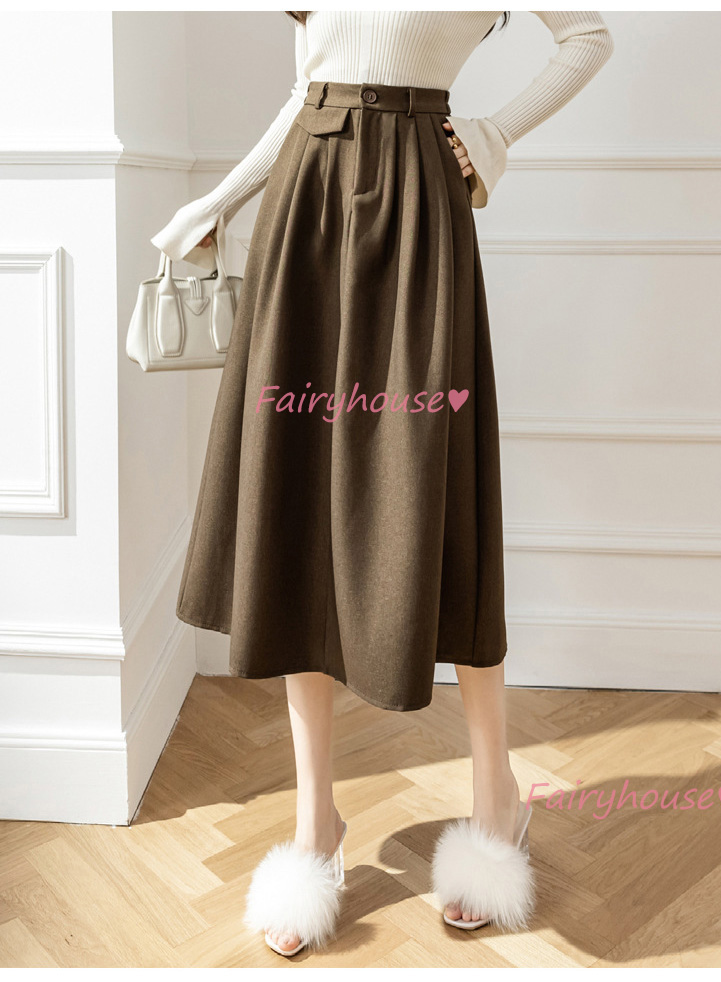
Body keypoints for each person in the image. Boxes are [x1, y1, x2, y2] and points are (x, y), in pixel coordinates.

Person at [150, 10, 614, 957]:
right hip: (306, 212)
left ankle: (496, 798)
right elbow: (305, 93)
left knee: (439, 493)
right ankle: (315, 823)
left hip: (419, 208)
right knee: (299, 505)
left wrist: (490, 134)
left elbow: (588, 37)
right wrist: (223, 201)